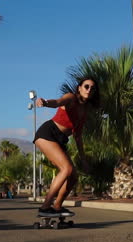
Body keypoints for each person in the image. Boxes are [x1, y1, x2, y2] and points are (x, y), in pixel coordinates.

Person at [34, 78, 99, 217]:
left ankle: (57, 206)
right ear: (79, 88)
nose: (89, 90)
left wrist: (83, 160)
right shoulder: (71, 98)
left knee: (74, 176)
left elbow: (78, 137)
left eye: (92, 88)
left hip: (61, 140)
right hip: (48, 133)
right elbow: (57, 102)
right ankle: (45, 207)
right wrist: (45, 102)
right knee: (66, 169)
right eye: (86, 86)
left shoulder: (85, 110)